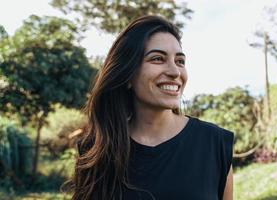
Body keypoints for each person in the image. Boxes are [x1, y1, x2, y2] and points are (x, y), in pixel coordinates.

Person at [71, 15, 234, 200]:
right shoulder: (95, 149)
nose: (175, 72)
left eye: (180, 61)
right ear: (128, 74)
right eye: (157, 58)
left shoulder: (215, 143)